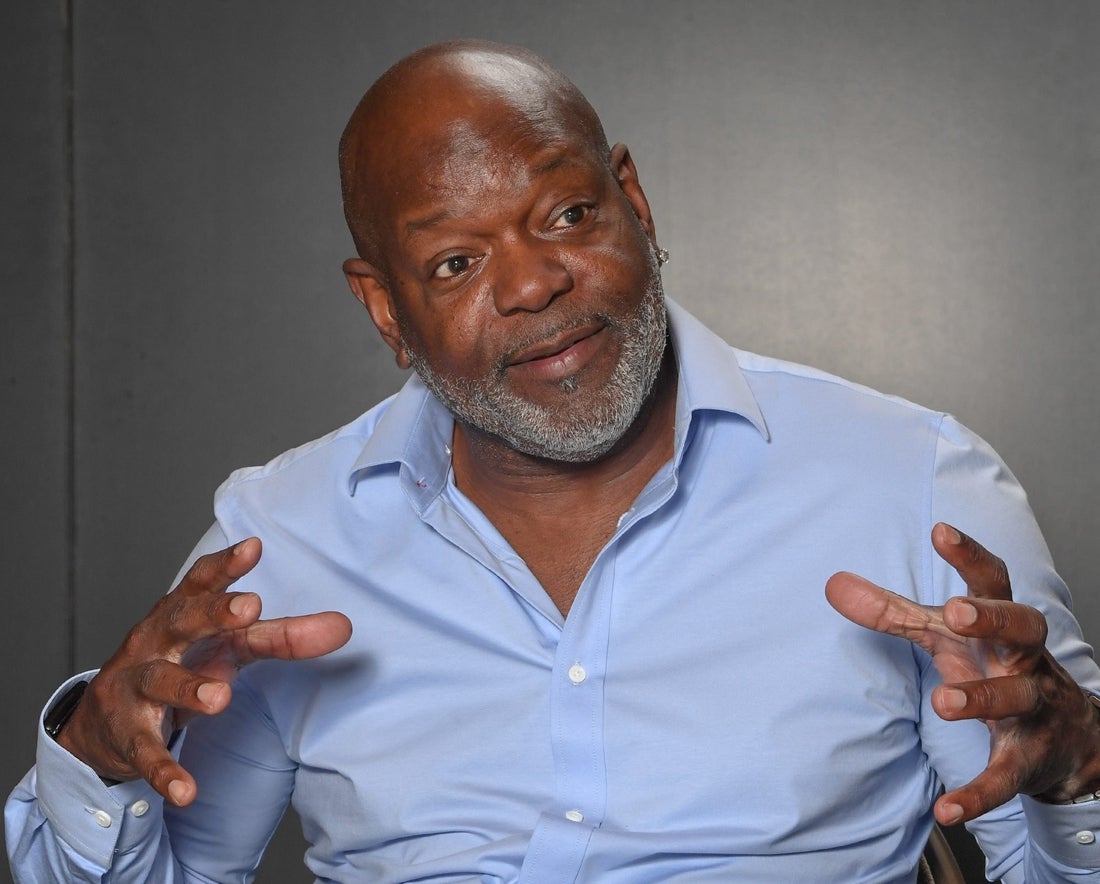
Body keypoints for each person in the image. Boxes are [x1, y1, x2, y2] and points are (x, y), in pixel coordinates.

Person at [6, 39, 1100, 882]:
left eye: (567, 213)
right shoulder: (282, 538)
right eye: (455, 262)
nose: (532, 284)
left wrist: (1079, 773)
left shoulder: (910, 482)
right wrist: (98, 757)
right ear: (384, 309)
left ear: (635, 201)